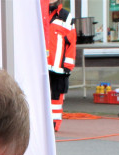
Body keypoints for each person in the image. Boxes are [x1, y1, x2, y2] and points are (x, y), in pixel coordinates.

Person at [45, 0, 76, 132]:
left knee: (56, 97)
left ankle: (54, 123)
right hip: (42, 66)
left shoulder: (66, 17)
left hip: (58, 66)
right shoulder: (40, 14)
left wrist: (68, 65)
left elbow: (71, 43)